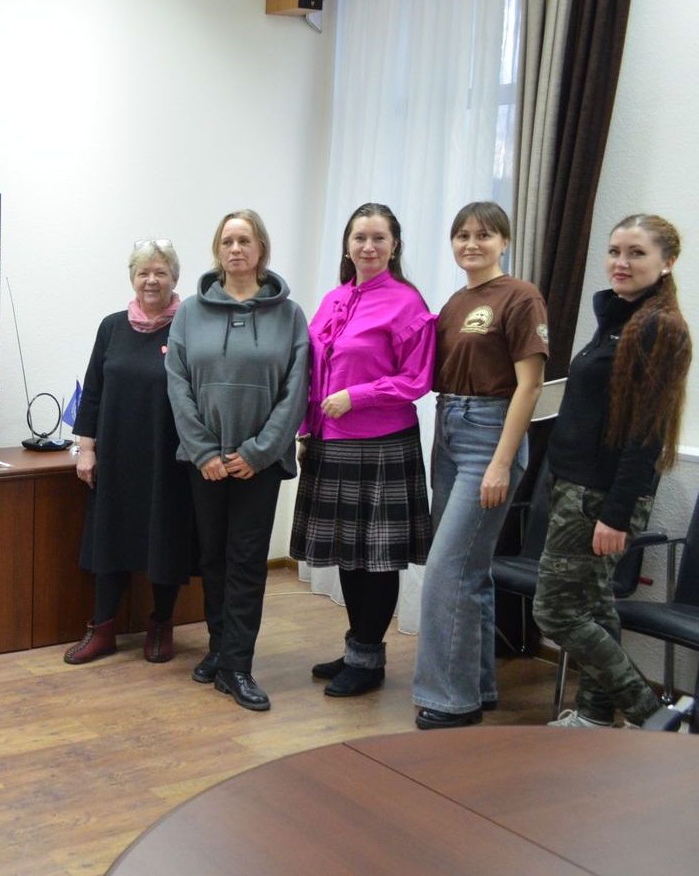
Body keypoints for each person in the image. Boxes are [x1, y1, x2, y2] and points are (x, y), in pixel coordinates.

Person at [534, 214, 690, 728]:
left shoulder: (659, 328)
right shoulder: (621, 318)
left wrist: (617, 515)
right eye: (615, 251)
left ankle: (653, 716)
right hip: (575, 488)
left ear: (667, 262)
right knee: (597, 609)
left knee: (555, 612)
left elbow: (647, 433)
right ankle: (596, 719)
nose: (621, 262)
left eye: (637, 253)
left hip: (598, 499)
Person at [166, 209, 309, 711]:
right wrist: (204, 451)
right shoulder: (189, 312)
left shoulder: (290, 316)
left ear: (261, 248)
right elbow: (177, 384)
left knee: (247, 561)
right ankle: (220, 649)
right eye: (227, 241)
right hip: (204, 461)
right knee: (213, 559)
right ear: (217, 249)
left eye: (245, 240)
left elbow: (295, 391)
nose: (235, 249)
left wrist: (258, 451)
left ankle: (238, 666)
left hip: (258, 465)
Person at [412, 202, 546, 730]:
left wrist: (501, 463)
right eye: (462, 235)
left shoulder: (521, 296)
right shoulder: (455, 302)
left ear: (504, 241)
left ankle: (451, 700)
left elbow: (530, 386)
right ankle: (479, 686)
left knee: (447, 572)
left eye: (484, 235)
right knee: (472, 569)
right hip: (448, 428)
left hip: (489, 437)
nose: (471, 244)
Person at [292, 204, 435, 697]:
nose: (368, 247)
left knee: (377, 558)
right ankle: (358, 648)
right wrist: (307, 429)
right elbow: (312, 374)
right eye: (360, 238)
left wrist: (358, 396)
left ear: (395, 246)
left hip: (382, 445)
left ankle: (368, 661)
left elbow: (417, 379)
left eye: (379, 238)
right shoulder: (333, 299)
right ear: (347, 245)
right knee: (348, 555)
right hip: (330, 443)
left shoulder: (407, 302)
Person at [64, 238, 197, 665]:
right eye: (143, 272)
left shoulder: (189, 327)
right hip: (117, 455)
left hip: (168, 457)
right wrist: (86, 449)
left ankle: (160, 625)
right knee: (110, 540)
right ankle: (102, 628)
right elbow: (93, 392)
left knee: (165, 541)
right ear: (132, 278)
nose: (151, 280)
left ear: (174, 278)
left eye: (160, 272)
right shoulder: (112, 327)